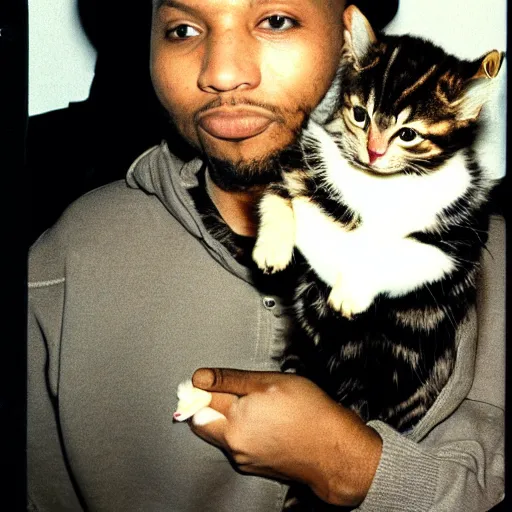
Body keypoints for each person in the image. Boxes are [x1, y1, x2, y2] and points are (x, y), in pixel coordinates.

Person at [27, 0, 505, 510]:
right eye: (183, 29)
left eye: (276, 21)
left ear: (350, 41)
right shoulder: (64, 264)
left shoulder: (490, 266)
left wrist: (358, 469)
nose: (223, 73)